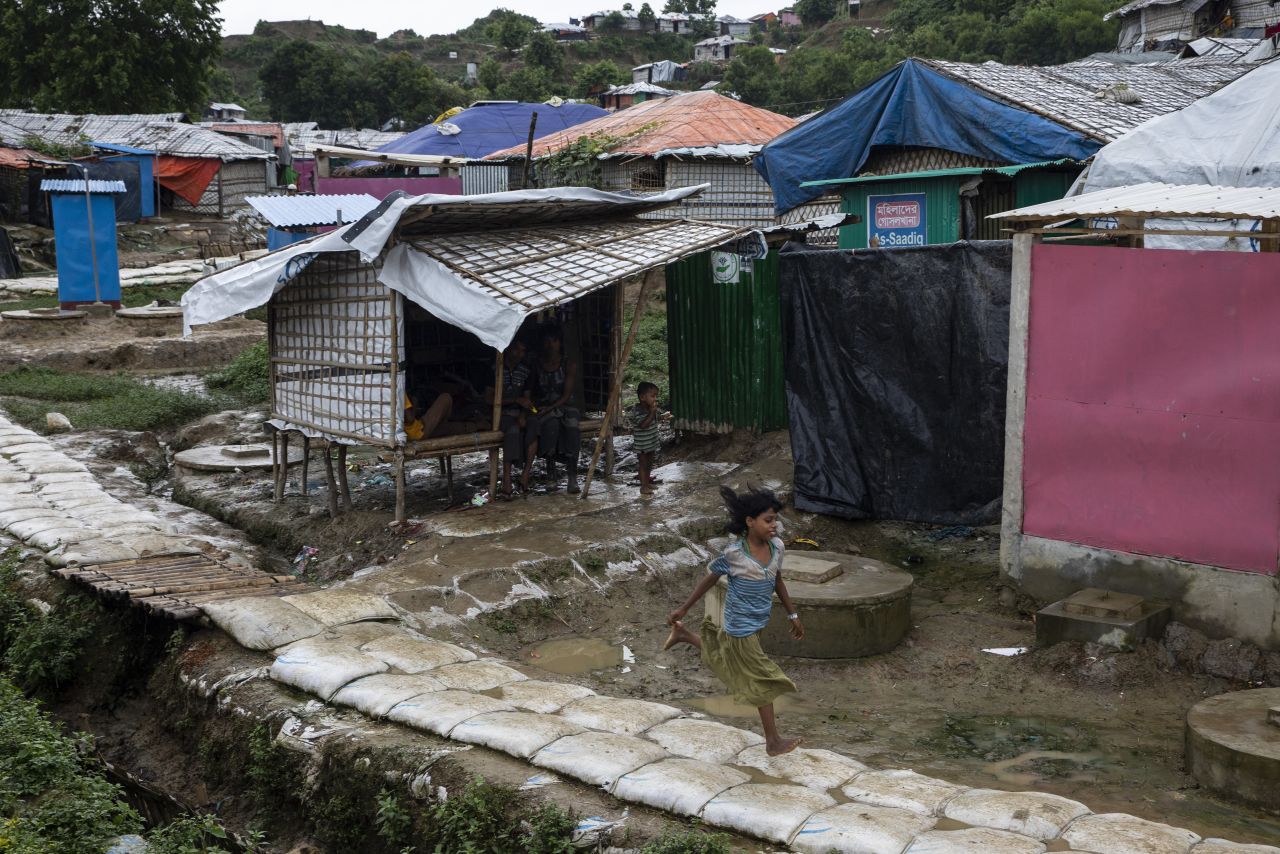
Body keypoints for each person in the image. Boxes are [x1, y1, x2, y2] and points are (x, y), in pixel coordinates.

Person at [664, 485, 804, 756]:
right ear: (750, 522)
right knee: (763, 680)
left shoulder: (777, 547)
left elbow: (777, 580)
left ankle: (684, 635)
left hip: (758, 621)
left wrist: (793, 613)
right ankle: (773, 741)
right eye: (768, 520)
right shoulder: (735, 554)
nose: (773, 525)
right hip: (739, 626)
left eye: (775, 519)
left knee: (729, 662)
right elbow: (711, 577)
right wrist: (684, 607)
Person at [523, 326, 581, 494]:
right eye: (547, 341)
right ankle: (551, 474)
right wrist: (537, 408)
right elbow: (530, 389)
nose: (550, 345)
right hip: (544, 407)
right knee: (551, 427)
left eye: (553, 341)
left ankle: (572, 476)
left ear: (559, 343)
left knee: (571, 426)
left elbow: (566, 394)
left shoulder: (568, 363)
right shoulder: (537, 364)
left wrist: (551, 407)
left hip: (565, 405)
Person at [496, 337, 533, 498]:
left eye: (523, 351)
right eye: (516, 349)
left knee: (534, 426)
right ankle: (507, 479)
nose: (519, 354)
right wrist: (514, 400)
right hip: (500, 414)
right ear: (508, 348)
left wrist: (524, 414)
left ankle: (525, 474)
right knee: (512, 431)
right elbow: (489, 399)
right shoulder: (496, 369)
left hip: (519, 413)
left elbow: (527, 399)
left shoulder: (525, 371)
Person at [629, 381, 663, 496]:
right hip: (642, 444)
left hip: (651, 442)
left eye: (655, 396)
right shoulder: (637, 411)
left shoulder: (650, 409)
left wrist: (655, 414)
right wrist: (652, 413)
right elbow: (643, 425)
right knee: (643, 464)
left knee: (649, 463)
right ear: (642, 397)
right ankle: (643, 487)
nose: (655, 399)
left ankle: (647, 482)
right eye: (652, 396)